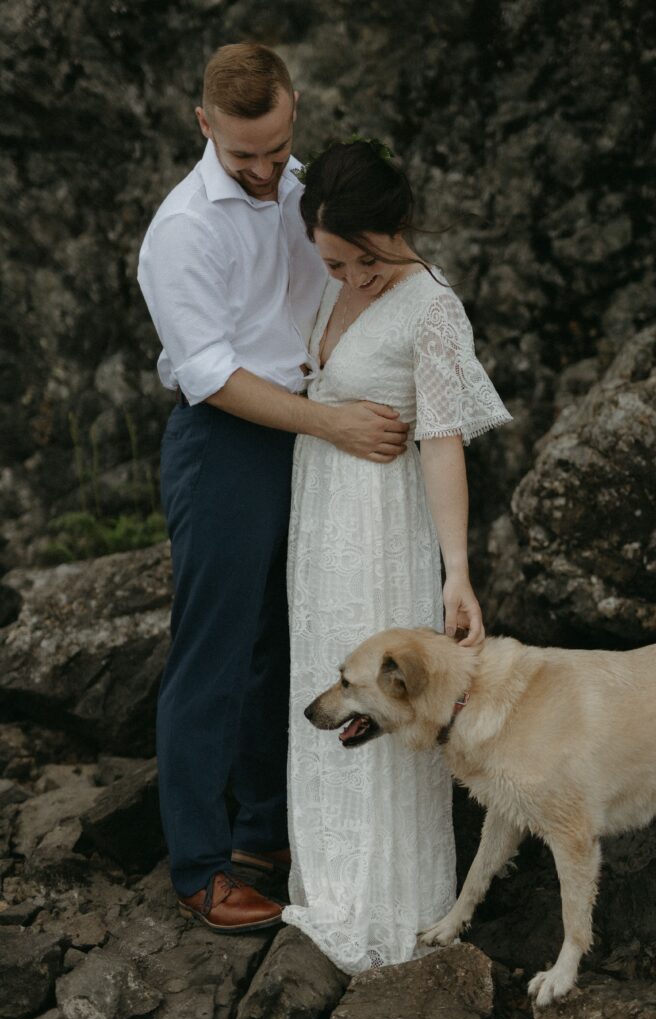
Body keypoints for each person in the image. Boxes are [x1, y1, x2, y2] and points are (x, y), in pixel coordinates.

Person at [137, 45, 410, 935]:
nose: (260, 171)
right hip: (225, 443)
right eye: (241, 154)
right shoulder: (182, 230)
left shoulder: (305, 191)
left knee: (281, 643)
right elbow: (211, 375)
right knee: (211, 657)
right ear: (203, 123)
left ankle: (264, 834)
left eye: (274, 146)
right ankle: (199, 867)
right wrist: (331, 424)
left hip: (303, 435)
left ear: (293, 108)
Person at [283, 139, 512, 972]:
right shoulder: (336, 280)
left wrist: (455, 568)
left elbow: (442, 442)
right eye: (334, 264)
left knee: (382, 699)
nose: (349, 279)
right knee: (323, 676)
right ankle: (327, 880)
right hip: (321, 524)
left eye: (362, 261)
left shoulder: (432, 308)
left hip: (382, 526)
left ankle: (389, 908)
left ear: (396, 227)